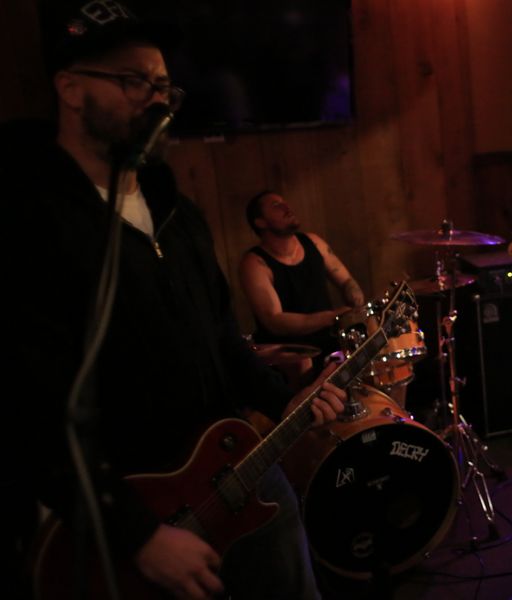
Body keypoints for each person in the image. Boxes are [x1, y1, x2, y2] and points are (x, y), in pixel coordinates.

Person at [4, 2, 346, 598]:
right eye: (133, 81)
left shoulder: (178, 214)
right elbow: (31, 411)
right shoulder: (33, 223)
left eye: (164, 86)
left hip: (230, 469)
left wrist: (284, 399)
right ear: (70, 88)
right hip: (127, 513)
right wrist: (137, 536)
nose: (158, 101)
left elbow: (223, 339)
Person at [239, 190, 366, 369]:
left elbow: (347, 282)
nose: (286, 207)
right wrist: (332, 317)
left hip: (330, 344)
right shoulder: (254, 263)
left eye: (284, 202)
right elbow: (274, 321)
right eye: (276, 205)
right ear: (260, 222)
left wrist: (356, 305)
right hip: (290, 357)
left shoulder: (314, 242)